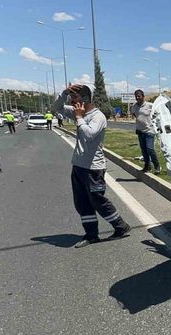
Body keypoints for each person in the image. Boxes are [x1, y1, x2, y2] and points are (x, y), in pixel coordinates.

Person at [52, 84, 131, 248]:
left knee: (97, 200)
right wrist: (64, 93)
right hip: (79, 166)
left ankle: (120, 226)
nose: (72, 101)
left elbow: (89, 135)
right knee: (82, 202)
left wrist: (79, 117)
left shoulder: (98, 117)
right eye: (71, 98)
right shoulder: (77, 112)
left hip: (93, 168)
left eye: (75, 98)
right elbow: (55, 107)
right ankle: (91, 235)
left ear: (85, 99)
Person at [130, 89, 161, 174]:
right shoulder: (134, 106)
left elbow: (157, 114)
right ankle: (147, 166)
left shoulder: (150, 105)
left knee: (150, 148)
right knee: (144, 150)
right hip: (140, 131)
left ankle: (157, 165)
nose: (137, 98)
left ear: (143, 96)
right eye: (136, 96)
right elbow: (134, 114)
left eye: (139, 96)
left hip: (149, 130)